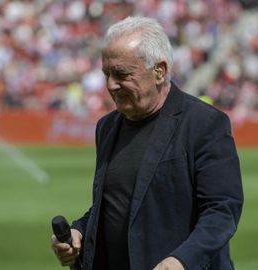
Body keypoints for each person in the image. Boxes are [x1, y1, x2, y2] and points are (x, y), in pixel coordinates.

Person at [51, 16, 243, 270]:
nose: (110, 85)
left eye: (121, 74)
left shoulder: (204, 124)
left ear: (159, 71)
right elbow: (112, 206)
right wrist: (79, 232)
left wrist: (182, 260)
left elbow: (222, 210)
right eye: (106, 73)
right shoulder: (107, 127)